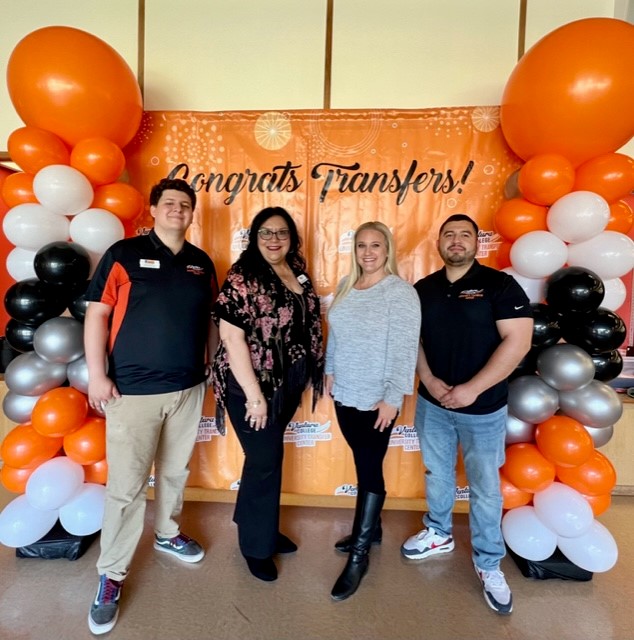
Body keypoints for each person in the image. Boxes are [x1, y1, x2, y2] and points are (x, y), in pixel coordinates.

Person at [84, 178, 219, 635]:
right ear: (154, 209)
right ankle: (111, 575)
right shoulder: (122, 255)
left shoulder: (202, 263)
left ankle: (167, 534)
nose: (178, 210)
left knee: (176, 472)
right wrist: (98, 375)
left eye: (185, 205)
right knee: (125, 487)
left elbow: (211, 322)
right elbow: (97, 314)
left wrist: (212, 366)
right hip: (132, 391)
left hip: (188, 387)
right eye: (170, 204)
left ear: (192, 213)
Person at [400, 214, 533, 615]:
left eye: (465, 235)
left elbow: (519, 340)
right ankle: (439, 532)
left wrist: (471, 390)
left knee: (485, 488)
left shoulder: (499, 285)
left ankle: (489, 562)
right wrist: (428, 378)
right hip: (432, 403)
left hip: (484, 410)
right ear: (438, 241)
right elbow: (414, 339)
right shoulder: (424, 288)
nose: (456, 241)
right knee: (437, 474)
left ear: (478, 242)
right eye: (449, 234)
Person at [211, 206, 324, 582]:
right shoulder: (243, 276)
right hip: (251, 387)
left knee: (266, 460)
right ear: (254, 237)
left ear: (291, 238)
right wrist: (255, 396)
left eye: (281, 233)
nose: (273, 239)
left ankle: (260, 525)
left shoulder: (298, 273)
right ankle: (255, 547)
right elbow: (231, 337)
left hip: (284, 385)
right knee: (264, 460)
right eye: (265, 232)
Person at [325, 221, 421, 601]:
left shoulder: (400, 293)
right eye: (362, 245)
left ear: (388, 250)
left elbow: (404, 348)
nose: (368, 252)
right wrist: (330, 370)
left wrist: (394, 397)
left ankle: (360, 555)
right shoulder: (347, 286)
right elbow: (337, 333)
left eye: (376, 245)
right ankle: (373, 528)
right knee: (363, 461)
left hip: (377, 399)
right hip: (344, 392)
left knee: (369, 467)